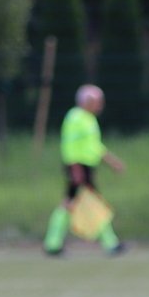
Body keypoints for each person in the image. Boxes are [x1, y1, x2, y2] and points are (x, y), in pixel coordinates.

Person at [44, 84, 126, 257]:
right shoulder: (75, 118)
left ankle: (53, 243)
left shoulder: (89, 119)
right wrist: (75, 168)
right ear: (86, 101)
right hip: (78, 168)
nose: (100, 105)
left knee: (72, 203)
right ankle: (111, 243)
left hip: (87, 167)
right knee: (90, 203)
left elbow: (94, 146)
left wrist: (112, 162)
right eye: (97, 101)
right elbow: (69, 145)